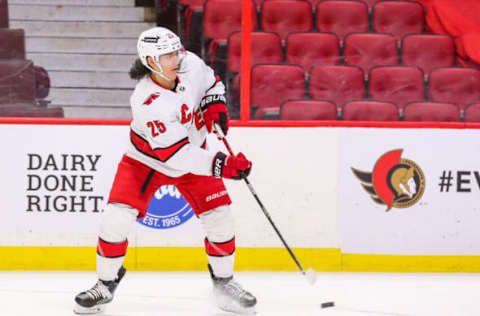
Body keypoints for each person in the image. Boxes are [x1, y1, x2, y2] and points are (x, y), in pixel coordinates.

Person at [73, 27, 256, 315]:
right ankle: (105, 284)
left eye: (176, 50)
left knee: (220, 217)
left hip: (192, 153)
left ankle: (224, 284)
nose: (176, 57)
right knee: (116, 218)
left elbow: (212, 83)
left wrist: (215, 106)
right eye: (167, 54)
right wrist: (222, 164)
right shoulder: (146, 102)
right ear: (150, 61)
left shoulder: (190, 64)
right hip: (145, 162)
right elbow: (176, 156)